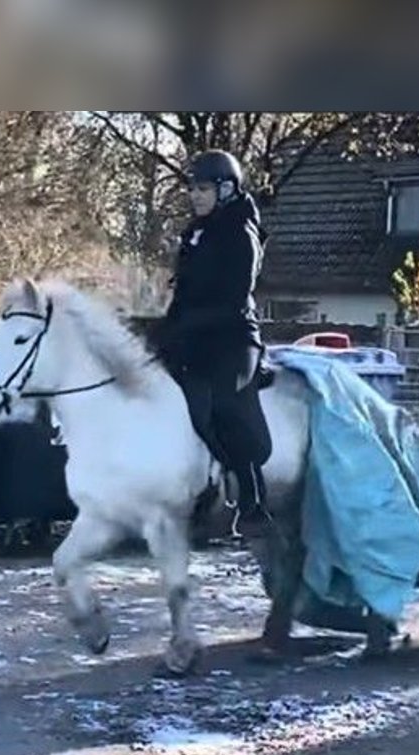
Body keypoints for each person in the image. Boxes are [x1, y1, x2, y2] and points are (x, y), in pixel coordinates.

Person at [154, 149, 274, 539]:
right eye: (193, 189)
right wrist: (167, 331)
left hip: (235, 336)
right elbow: (185, 291)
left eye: (203, 189)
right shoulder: (195, 232)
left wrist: (189, 324)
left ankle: (254, 502)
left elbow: (235, 297)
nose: (196, 196)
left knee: (222, 405)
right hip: (197, 336)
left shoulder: (241, 234)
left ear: (225, 189)